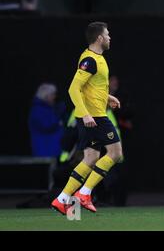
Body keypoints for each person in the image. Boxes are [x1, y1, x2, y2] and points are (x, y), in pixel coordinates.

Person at [51, 22, 123, 215]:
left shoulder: (95, 58)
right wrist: (85, 114)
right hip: (95, 117)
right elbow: (73, 89)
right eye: (107, 34)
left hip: (94, 115)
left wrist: (108, 97)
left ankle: (62, 198)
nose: (109, 38)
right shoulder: (90, 60)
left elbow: (91, 87)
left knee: (90, 159)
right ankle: (84, 193)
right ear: (99, 38)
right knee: (115, 153)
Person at [28, 83, 64, 157]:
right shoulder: (38, 110)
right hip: (45, 150)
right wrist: (59, 121)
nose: (54, 97)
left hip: (53, 149)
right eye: (53, 94)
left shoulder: (49, 109)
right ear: (46, 95)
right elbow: (47, 125)